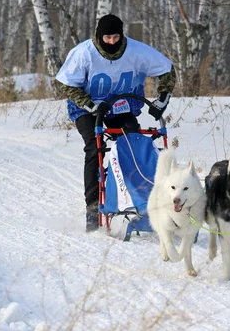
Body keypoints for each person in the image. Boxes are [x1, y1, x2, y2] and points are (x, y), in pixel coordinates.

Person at [54, 14, 176, 232]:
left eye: (116, 37)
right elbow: (65, 84)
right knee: (94, 147)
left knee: (135, 146)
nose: (112, 42)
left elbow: (167, 70)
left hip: (122, 107)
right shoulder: (84, 54)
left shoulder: (138, 52)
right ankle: (92, 210)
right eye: (107, 37)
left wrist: (163, 96)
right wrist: (90, 105)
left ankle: (139, 202)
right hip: (88, 109)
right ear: (99, 37)